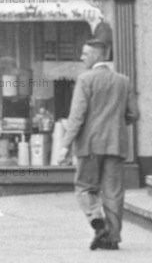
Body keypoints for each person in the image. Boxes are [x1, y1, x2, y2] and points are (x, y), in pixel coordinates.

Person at [59, 39, 139, 251]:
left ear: (97, 55)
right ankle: (112, 239)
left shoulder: (85, 80)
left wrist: (65, 145)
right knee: (113, 192)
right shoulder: (123, 80)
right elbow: (133, 114)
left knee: (85, 187)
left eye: (85, 54)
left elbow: (77, 117)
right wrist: (115, 126)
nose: (82, 57)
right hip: (116, 145)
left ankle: (98, 222)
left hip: (90, 145)